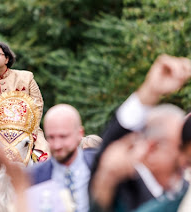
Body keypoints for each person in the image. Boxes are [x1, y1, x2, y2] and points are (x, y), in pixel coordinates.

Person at [89, 54, 191, 211]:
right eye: (179, 145)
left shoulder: (184, 191)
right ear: (152, 148)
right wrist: (149, 92)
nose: (185, 156)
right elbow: (103, 158)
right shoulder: (123, 189)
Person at [0, 42, 48, 158]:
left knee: (47, 158)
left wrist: (32, 131)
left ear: (7, 58)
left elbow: (37, 106)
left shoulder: (26, 78)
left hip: (28, 132)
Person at [27, 104, 97, 212]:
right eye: (51, 137)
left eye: (63, 137)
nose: (57, 145)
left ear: (80, 134)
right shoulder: (34, 177)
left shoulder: (99, 166)